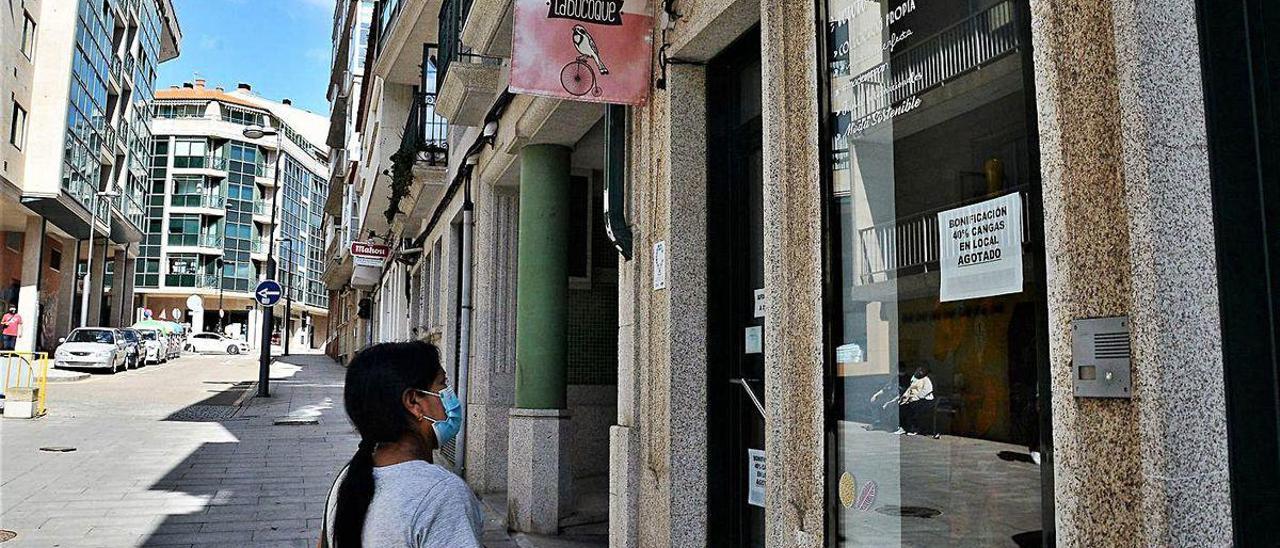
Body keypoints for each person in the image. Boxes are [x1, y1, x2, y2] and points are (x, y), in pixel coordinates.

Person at [322, 341, 482, 547]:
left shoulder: (347, 480)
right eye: (443, 384)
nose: (449, 395)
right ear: (414, 402)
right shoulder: (443, 494)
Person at [895, 367, 936, 436]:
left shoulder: (926, 379)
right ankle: (903, 427)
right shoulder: (914, 379)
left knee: (913, 408)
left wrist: (917, 397)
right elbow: (909, 389)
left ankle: (914, 429)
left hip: (925, 400)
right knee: (902, 407)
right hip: (913, 399)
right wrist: (903, 398)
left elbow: (927, 390)